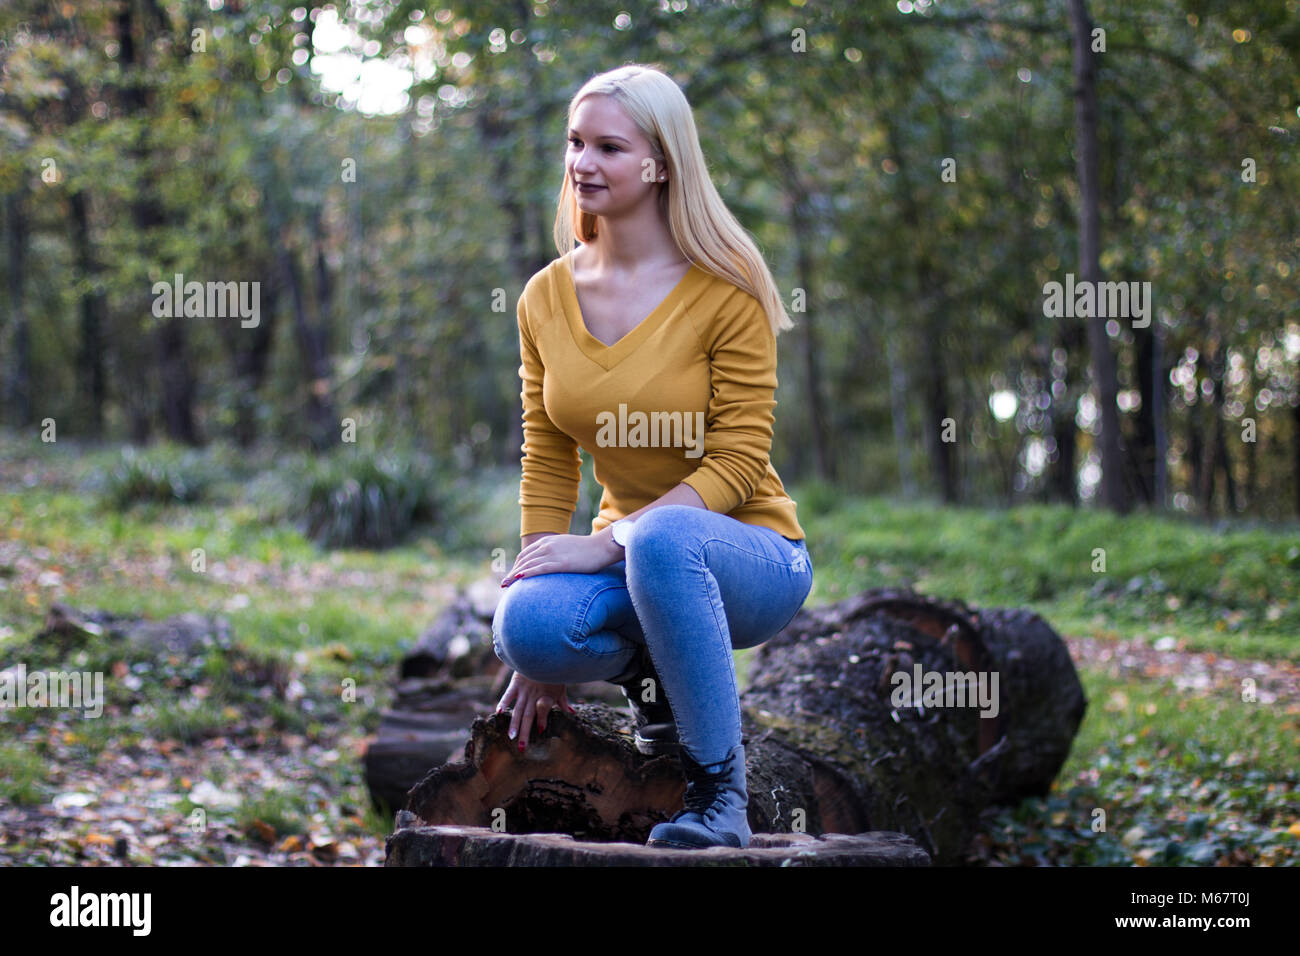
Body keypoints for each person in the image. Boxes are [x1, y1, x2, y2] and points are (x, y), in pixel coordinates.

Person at [491, 63, 813, 850]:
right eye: (575, 142)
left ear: (660, 162)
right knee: (526, 626)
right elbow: (548, 449)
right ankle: (655, 683)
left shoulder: (726, 290)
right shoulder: (545, 297)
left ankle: (720, 796)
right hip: (632, 563)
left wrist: (605, 542)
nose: (582, 163)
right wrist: (545, 579)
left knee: (660, 538)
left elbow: (738, 463)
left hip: (747, 557)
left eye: (608, 146)